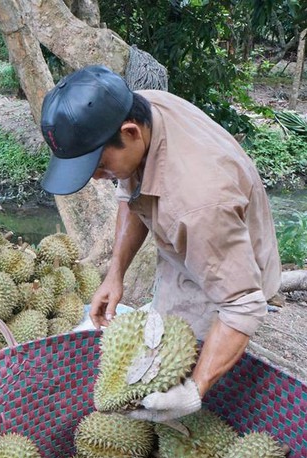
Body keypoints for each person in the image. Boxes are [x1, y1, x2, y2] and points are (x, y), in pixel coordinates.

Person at [39, 65, 281, 422]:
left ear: (130, 132)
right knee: (158, 353)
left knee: (186, 384)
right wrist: (115, 273)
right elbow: (131, 191)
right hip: (193, 238)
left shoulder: (196, 205)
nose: (94, 176)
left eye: (99, 165)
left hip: (229, 259)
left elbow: (242, 305)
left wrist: (194, 390)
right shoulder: (144, 108)